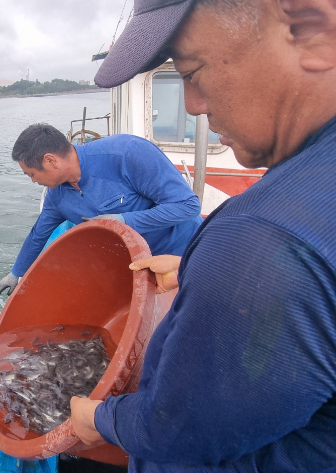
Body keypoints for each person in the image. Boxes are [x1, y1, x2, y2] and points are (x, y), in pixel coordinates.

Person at [69, 0, 336, 471]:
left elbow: (173, 432)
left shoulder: (261, 239)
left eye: (192, 71)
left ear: (309, 30)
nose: (192, 105)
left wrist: (102, 418)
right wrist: (195, 268)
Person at [0, 124, 203, 297]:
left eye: (31, 174)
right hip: (142, 269)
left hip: (190, 255)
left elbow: (188, 206)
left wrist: (122, 220)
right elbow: (38, 234)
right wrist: (15, 273)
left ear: (50, 160)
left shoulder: (128, 153)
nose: (33, 181)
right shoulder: (56, 196)